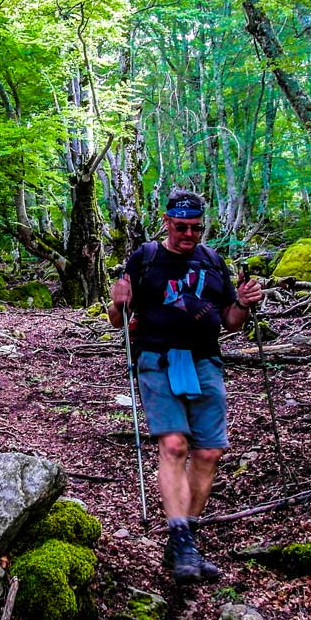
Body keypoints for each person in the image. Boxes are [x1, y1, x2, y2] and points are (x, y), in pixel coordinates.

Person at [107, 189, 264, 585]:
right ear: (166, 222)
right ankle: (180, 538)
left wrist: (243, 302)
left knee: (209, 450)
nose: (188, 235)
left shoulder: (213, 262)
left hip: (205, 360)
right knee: (175, 444)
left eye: (195, 228)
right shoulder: (145, 258)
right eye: (181, 227)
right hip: (157, 359)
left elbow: (230, 321)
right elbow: (119, 320)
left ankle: (184, 543)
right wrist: (116, 302)